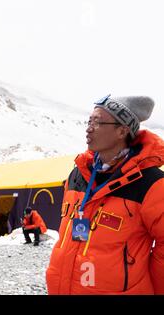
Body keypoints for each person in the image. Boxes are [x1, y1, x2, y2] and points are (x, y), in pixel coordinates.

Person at [46, 95, 164, 294]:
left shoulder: (150, 183)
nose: (89, 128)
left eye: (98, 122)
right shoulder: (78, 174)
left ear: (122, 131)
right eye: (89, 121)